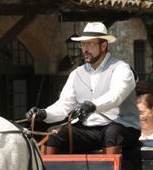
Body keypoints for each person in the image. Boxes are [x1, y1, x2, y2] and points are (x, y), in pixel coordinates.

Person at [27, 22, 140, 155]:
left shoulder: (121, 68)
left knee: (112, 133)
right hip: (89, 129)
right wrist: (44, 113)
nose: (85, 49)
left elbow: (116, 96)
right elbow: (64, 105)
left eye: (90, 44)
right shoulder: (76, 74)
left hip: (122, 127)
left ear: (103, 46)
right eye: (83, 44)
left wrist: (92, 105)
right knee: (53, 134)